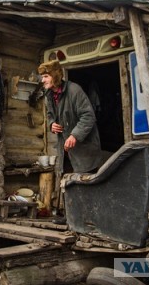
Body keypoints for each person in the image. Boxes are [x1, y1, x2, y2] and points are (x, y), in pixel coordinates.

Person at [38, 60, 103, 224]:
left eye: (46, 76)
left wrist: (74, 135)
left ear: (55, 76)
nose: (43, 80)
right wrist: (52, 124)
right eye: (42, 77)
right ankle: (71, 217)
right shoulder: (49, 95)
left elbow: (88, 116)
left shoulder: (74, 90)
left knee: (85, 181)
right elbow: (51, 116)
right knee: (67, 181)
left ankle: (90, 220)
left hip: (83, 147)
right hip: (65, 148)